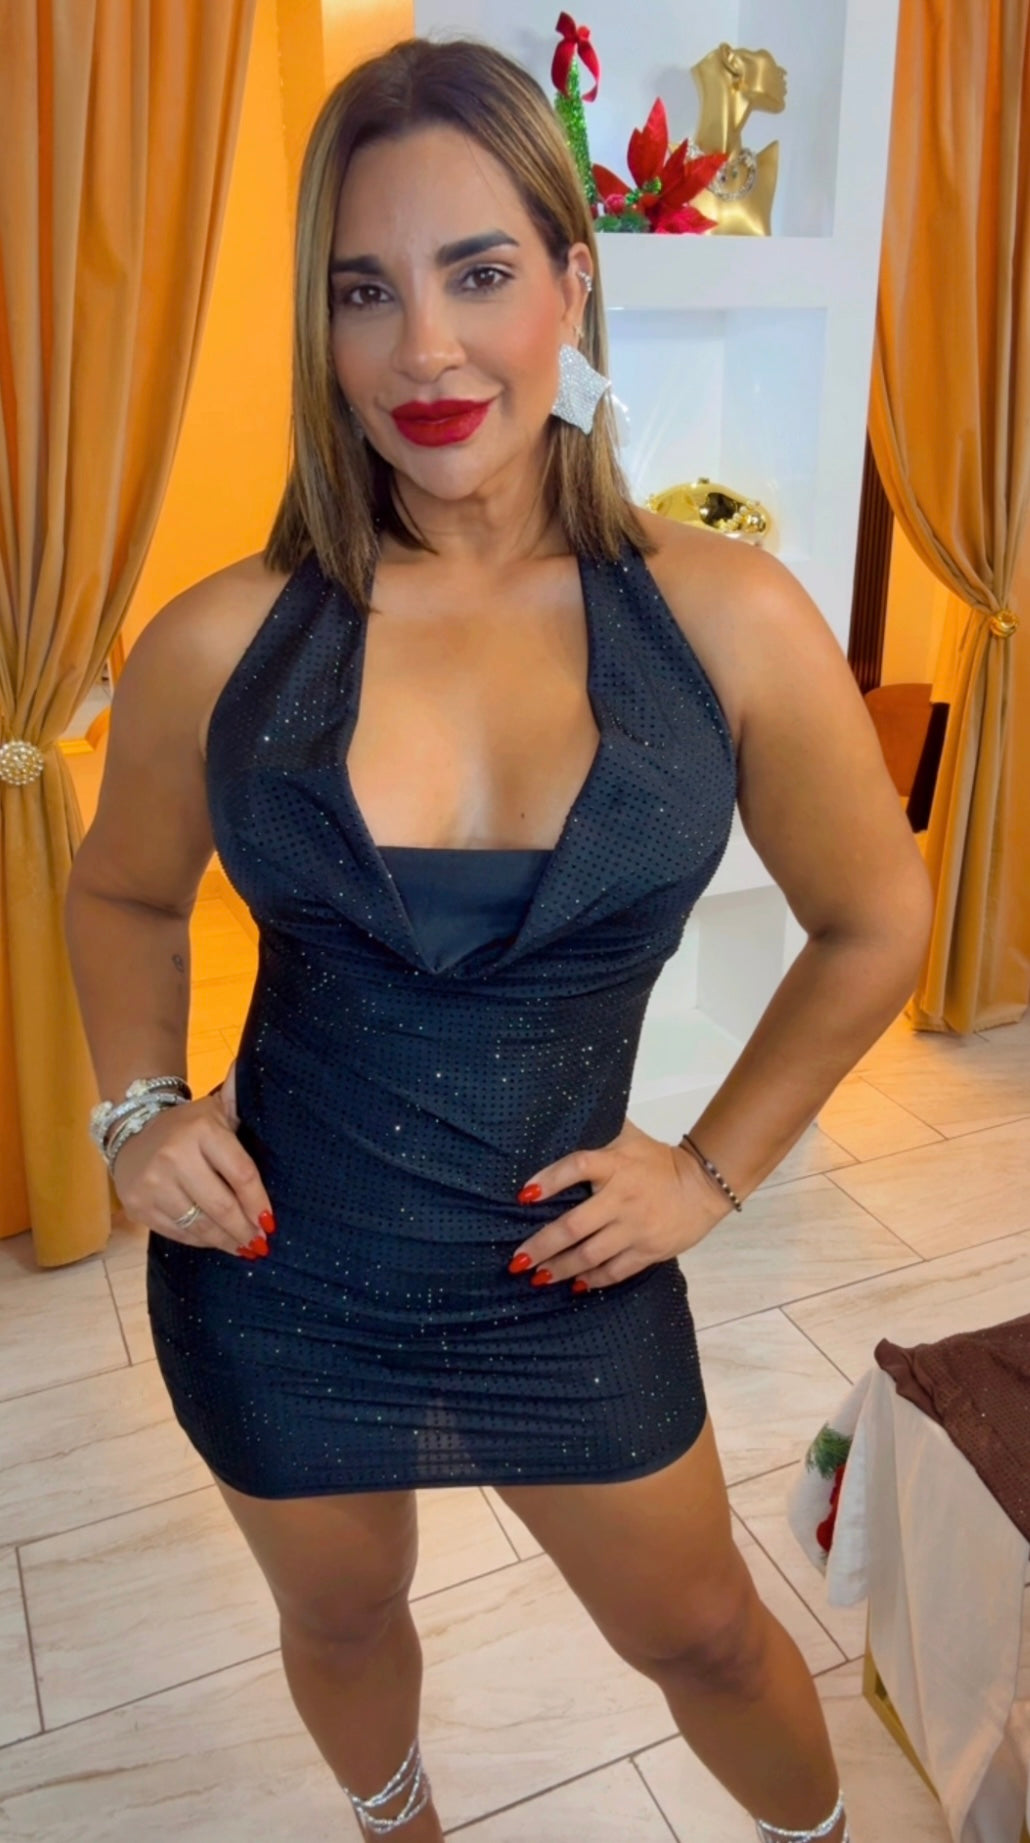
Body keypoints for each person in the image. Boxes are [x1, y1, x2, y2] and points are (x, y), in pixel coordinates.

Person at [64, 35, 932, 1843]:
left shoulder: (728, 619)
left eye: (477, 274)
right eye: (362, 292)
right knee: (337, 1615)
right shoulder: (219, 640)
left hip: (564, 1281)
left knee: (706, 1636)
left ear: (571, 283)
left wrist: (710, 1169)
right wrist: (137, 1110)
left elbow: (871, 921)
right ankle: (399, 1831)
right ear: (319, 329)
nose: (426, 351)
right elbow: (122, 892)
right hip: (278, 1274)